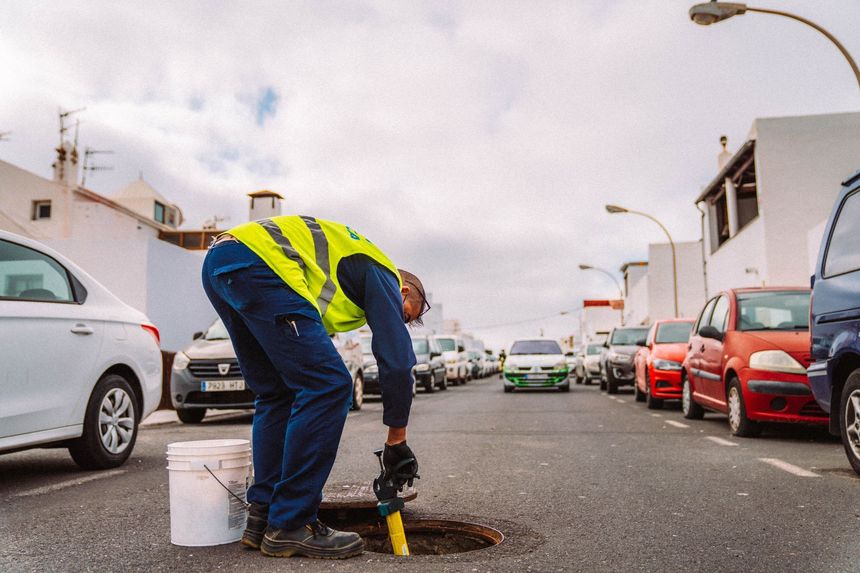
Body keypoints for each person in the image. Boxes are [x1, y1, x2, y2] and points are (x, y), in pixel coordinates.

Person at [201, 214, 426, 559]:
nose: (401, 321)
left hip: (223, 262)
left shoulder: (345, 278)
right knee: (330, 385)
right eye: (406, 315)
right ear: (404, 291)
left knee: (277, 393)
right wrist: (397, 439)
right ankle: (292, 522)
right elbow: (396, 360)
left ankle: (262, 516)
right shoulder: (383, 273)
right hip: (260, 262)